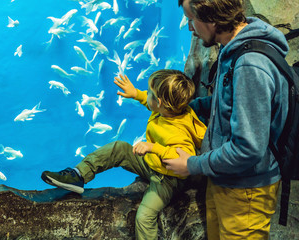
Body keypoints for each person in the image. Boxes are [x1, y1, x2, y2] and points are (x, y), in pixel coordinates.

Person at [162, 0, 289, 239]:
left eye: (191, 19)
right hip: (224, 179)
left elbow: (248, 149)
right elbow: (231, 103)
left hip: (246, 191)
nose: (189, 27)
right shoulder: (231, 48)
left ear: (211, 19)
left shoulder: (250, 64)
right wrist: (189, 107)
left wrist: (192, 165)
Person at [41, 69, 207, 239]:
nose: (146, 94)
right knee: (118, 148)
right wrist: (136, 94)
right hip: (152, 163)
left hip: (167, 180)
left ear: (159, 102)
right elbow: (153, 105)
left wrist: (153, 148)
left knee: (144, 217)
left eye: (149, 93)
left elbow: (184, 158)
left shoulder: (178, 131)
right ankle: (78, 175)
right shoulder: (171, 109)